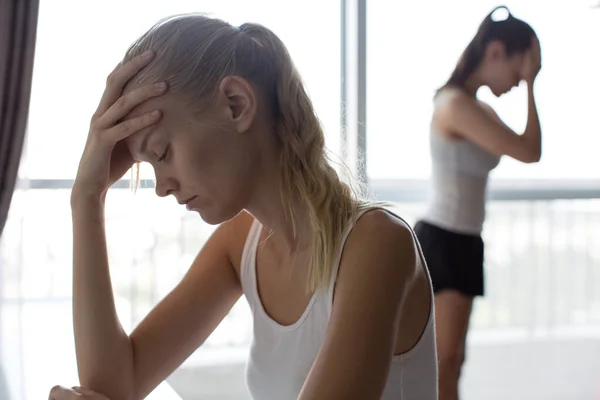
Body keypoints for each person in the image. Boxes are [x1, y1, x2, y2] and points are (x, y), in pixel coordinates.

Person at [49, 14, 438, 400]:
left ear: (235, 104)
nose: (162, 187)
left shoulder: (378, 244)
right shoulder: (242, 244)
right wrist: (86, 198)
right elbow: (114, 388)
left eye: (162, 153)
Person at [413, 5, 542, 400]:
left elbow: (527, 147)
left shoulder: (481, 109)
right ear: (496, 52)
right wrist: (535, 85)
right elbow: (528, 150)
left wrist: (530, 78)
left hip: (466, 241)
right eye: (520, 72)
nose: (520, 82)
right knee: (444, 363)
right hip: (443, 240)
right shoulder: (454, 105)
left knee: (453, 362)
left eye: (526, 79)